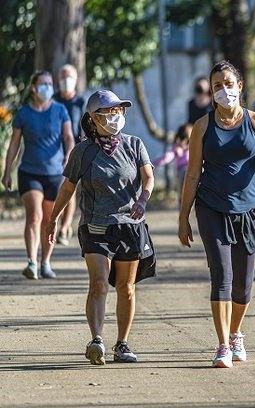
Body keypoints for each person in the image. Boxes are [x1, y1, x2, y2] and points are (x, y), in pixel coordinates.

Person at [178, 60, 255, 368]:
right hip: (212, 207)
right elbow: (193, 173)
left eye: (228, 84)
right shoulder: (202, 127)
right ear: (211, 93)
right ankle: (223, 344)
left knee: (243, 284)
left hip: (250, 209)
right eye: (217, 86)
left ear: (240, 87)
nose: (223, 90)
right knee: (221, 277)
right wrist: (183, 216)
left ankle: (236, 332)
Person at [45, 89, 156, 366]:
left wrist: (143, 200)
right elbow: (68, 187)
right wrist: (54, 218)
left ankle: (122, 343)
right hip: (96, 227)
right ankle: (96, 340)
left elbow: (148, 177)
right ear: (92, 119)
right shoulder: (83, 151)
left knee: (126, 287)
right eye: (107, 112)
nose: (114, 116)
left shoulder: (134, 144)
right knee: (98, 283)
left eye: (118, 111)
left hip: (130, 226)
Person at [2, 70, 74, 280]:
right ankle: (32, 262)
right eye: (43, 83)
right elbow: (14, 145)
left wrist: (69, 154)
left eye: (50, 83)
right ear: (33, 87)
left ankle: (46, 262)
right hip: (29, 172)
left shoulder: (60, 110)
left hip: (55, 174)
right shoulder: (23, 113)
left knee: (49, 221)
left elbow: (69, 137)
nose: (47, 87)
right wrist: (7, 171)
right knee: (35, 215)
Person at [54, 64, 86, 246]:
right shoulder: (53, 100)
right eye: (63, 76)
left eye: (70, 76)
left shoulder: (80, 103)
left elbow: (85, 128)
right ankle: (55, 222)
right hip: (54, 151)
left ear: (75, 79)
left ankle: (65, 227)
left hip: (75, 151)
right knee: (55, 189)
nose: (66, 80)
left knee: (70, 188)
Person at [152, 123, 191, 199]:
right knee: (183, 194)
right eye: (183, 138)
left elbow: (167, 157)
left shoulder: (192, 147)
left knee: (184, 194)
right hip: (183, 172)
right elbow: (167, 157)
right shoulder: (178, 149)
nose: (184, 141)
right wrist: (153, 164)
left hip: (188, 171)